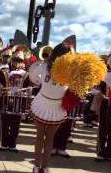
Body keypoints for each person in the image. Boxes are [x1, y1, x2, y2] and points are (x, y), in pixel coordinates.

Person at [29, 43, 72, 173]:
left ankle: (45, 166)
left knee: (49, 138)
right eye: (68, 54)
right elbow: (33, 76)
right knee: (40, 136)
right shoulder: (44, 65)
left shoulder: (70, 69)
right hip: (42, 103)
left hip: (57, 106)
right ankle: (37, 166)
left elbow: (74, 86)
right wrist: (41, 82)